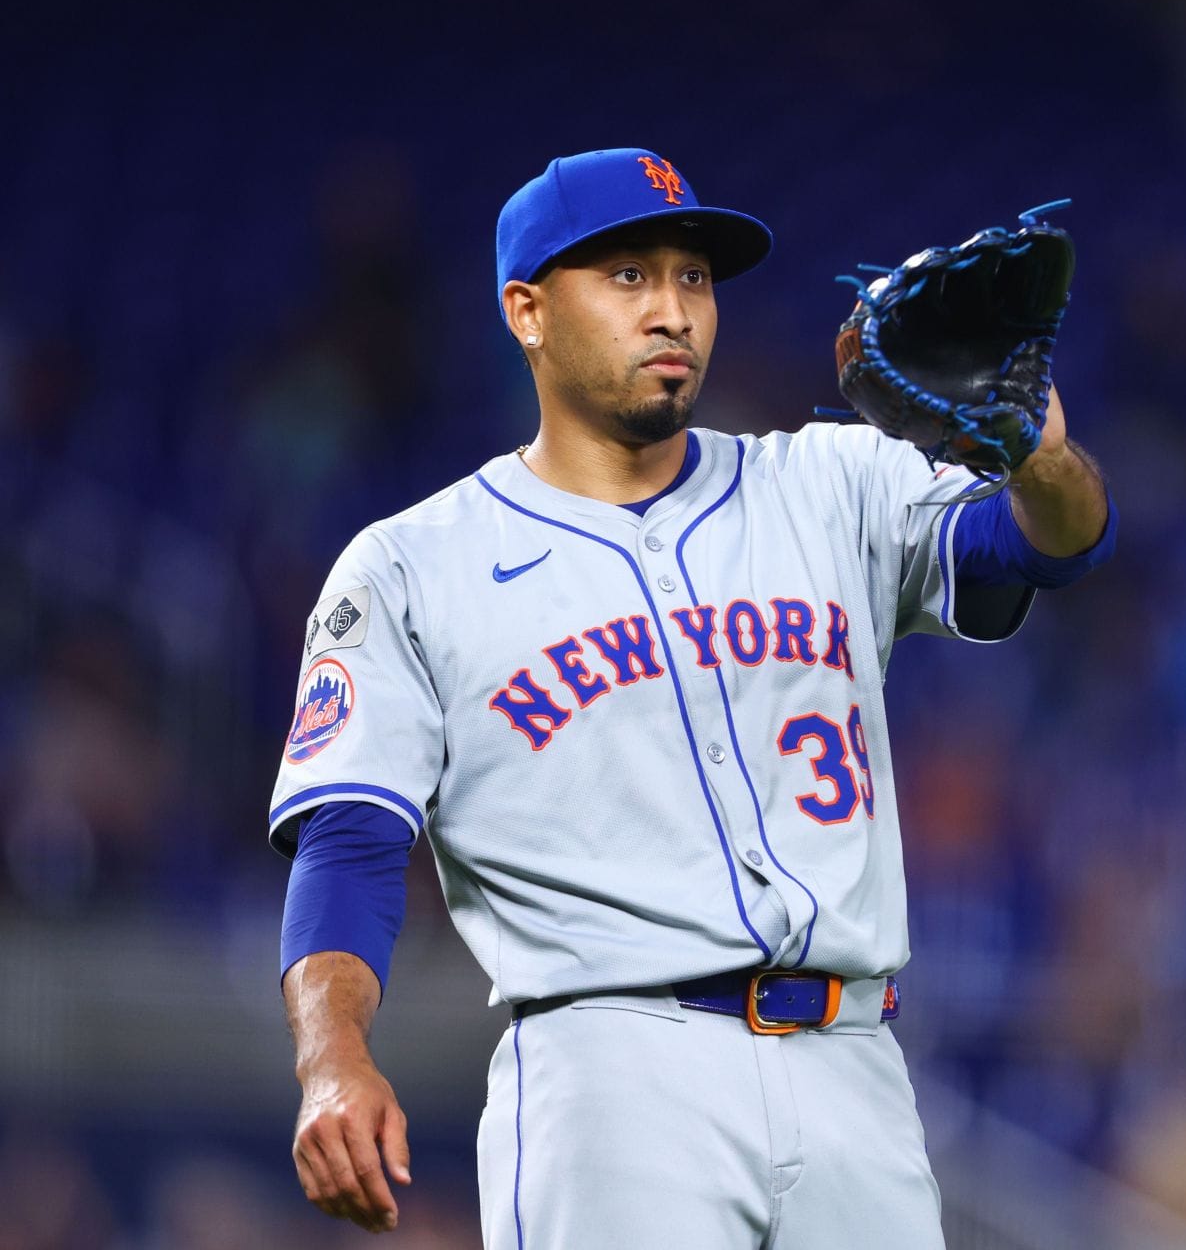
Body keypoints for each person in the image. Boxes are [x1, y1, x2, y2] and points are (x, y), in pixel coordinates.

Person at [270, 147, 1114, 1247]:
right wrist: (333, 1062)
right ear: (526, 310)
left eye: (694, 277)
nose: (672, 308)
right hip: (614, 1072)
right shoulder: (409, 567)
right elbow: (349, 846)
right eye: (628, 276)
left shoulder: (828, 480)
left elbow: (1043, 548)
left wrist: (1039, 457)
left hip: (855, 1065)